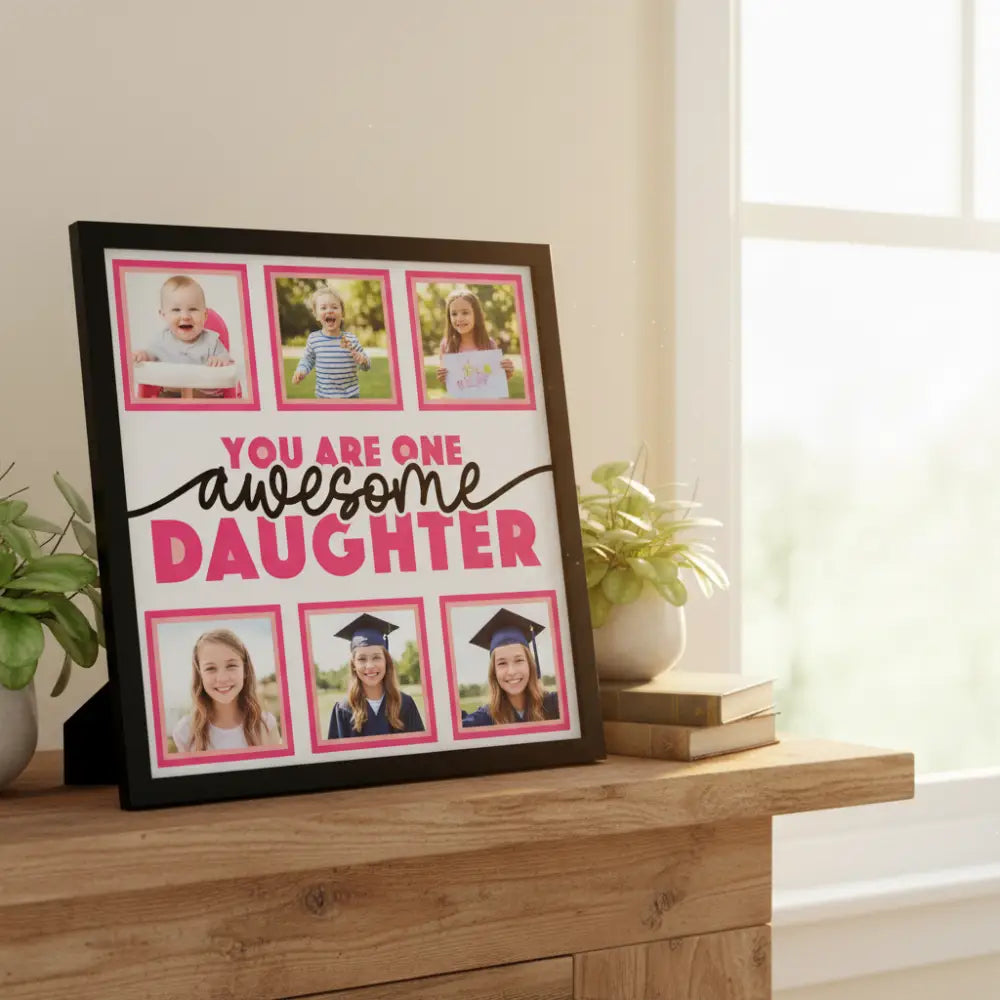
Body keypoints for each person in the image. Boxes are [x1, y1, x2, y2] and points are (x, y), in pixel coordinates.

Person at [171, 628, 281, 752]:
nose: (222, 678)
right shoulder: (185, 732)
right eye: (211, 668)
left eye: (231, 666)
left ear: (245, 670)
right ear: (200, 674)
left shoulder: (266, 725)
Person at [132, 275, 234, 398]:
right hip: (171, 395)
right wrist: (142, 355)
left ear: (205, 315)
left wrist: (221, 361)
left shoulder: (212, 341)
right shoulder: (161, 340)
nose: (185, 316)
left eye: (193, 309)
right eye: (176, 309)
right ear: (163, 315)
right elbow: (150, 355)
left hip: (206, 399)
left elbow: (227, 362)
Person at [328, 613, 425, 738]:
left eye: (376, 657)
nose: (369, 666)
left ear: (386, 662)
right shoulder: (343, 710)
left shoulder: (405, 704)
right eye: (362, 659)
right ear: (353, 665)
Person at [461, 608, 560, 727]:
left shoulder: (556, 705)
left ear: (530, 664)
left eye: (519, 660)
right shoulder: (484, 719)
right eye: (502, 663)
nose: (511, 671)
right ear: (494, 672)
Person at [292, 286, 371, 399]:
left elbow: (366, 366)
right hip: (324, 397)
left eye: (334, 307)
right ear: (316, 315)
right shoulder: (314, 339)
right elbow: (308, 359)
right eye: (323, 308)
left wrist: (363, 360)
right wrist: (301, 370)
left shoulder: (351, 339)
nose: (329, 310)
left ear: (342, 313)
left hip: (350, 397)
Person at [434, 287, 515, 387]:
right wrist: (443, 377)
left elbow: (494, 381)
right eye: (454, 314)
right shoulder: (446, 345)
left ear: (476, 315)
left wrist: (506, 374)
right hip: (460, 401)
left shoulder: (489, 344)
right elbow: (449, 381)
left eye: (465, 312)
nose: (459, 318)